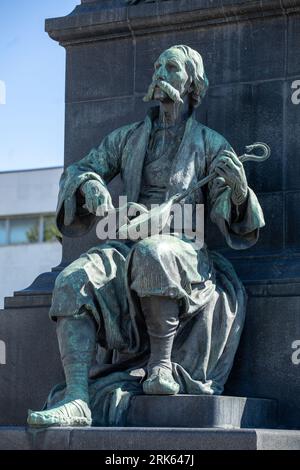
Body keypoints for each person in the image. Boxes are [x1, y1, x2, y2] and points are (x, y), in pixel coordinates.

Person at [27, 45, 264, 427]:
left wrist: (238, 191)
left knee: (156, 253)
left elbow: (233, 213)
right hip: (126, 244)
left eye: (170, 68)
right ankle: (77, 398)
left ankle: (162, 366)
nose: (159, 74)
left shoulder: (210, 143)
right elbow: (82, 168)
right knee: (72, 281)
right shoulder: (128, 137)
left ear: (192, 84)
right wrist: (89, 184)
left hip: (184, 250)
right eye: (157, 67)